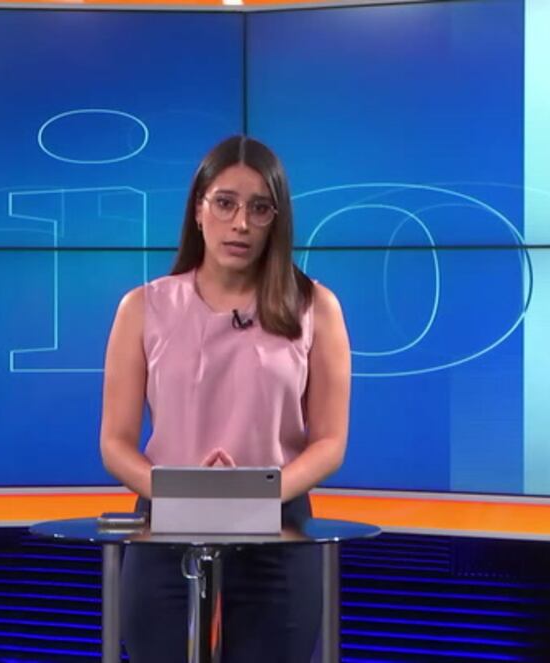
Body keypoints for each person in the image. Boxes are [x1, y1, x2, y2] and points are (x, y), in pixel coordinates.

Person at [99, 135, 352, 663]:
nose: (241, 223)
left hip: (279, 532)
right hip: (165, 531)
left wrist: (258, 493)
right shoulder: (142, 308)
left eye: (259, 208)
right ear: (198, 210)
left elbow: (330, 442)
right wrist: (184, 492)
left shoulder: (316, 307)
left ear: (276, 220)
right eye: (225, 203)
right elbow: (115, 444)